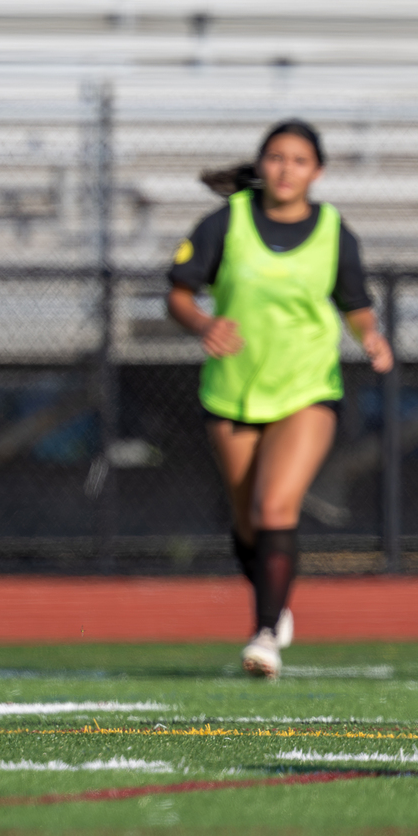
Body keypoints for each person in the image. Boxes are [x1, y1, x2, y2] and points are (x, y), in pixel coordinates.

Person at [168, 120, 393, 679]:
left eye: (297, 160)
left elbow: (355, 300)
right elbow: (178, 290)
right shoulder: (227, 221)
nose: (285, 169)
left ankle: (265, 632)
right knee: (247, 520)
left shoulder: (335, 230)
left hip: (307, 389)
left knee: (275, 507)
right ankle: (277, 598)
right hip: (233, 389)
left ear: (316, 171)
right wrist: (201, 322)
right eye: (275, 158)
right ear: (261, 164)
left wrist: (370, 334)